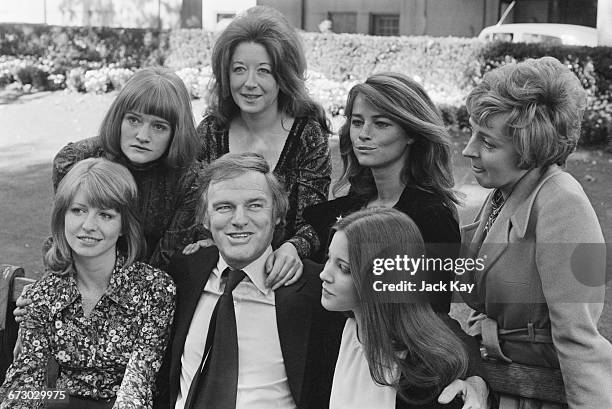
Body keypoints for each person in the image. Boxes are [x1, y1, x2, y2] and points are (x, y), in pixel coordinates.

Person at [459, 56, 612, 408]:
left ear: (531, 149)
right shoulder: (506, 191)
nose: (468, 150)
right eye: (472, 134)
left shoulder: (563, 203)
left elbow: (578, 339)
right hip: (500, 386)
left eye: (488, 143)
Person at [156, 153, 344, 409]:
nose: (239, 219)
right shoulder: (184, 272)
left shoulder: (317, 288)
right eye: (224, 207)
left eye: (255, 205)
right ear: (205, 219)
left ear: (278, 214)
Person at [0, 158, 175, 408]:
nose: (88, 225)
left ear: (124, 225)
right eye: (78, 210)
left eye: (105, 214)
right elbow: (25, 380)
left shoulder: (155, 289)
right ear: (62, 216)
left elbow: (139, 381)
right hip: (60, 401)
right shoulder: (44, 294)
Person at [187, 5, 332, 288]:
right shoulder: (210, 131)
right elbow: (196, 210)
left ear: (284, 76)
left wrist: (294, 247)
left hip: (282, 277)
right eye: (239, 69)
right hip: (220, 269)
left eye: (264, 71)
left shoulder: (307, 134)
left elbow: (314, 218)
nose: (249, 83)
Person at [304, 72, 460, 312]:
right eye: (357, 122)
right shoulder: (353, 204)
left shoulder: (431, 217)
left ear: (411, 133)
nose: (364, 134)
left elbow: (432, 316)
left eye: (381, 124)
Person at [320, 208, 488, 409]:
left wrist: (477, 381)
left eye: (344, 268)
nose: (324, 274)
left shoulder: (424, 374)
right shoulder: (337, 322)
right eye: (328, 259)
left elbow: (449, 334)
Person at [52, 66, 201, 270]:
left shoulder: (189, 180)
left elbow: (168, 260)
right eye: (133, 120)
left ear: (176, 132)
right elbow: (68, 236)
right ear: (119, 118)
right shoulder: (75, 160)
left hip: (151, 288)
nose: (142, 135)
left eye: (158, 126)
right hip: (80, 276)